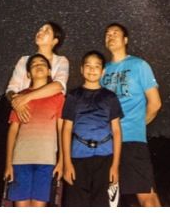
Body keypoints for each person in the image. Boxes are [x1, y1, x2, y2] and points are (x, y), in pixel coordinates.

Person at [101, 23, 162, 207]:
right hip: (105, 143)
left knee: (145, 195)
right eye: (107, 34)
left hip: (131, 141)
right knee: (109, 199)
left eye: (115, 33)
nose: (110, 36)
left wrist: (136, 125)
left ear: (125, 40)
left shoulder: (139, 65)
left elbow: (155, 103)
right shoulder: (101, 70)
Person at [61, 50, 123, 207]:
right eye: (88, 66)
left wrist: (115, 165)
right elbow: (66, 129)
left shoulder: (110, 97)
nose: (92, 69)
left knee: (101, 204)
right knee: (76, 204)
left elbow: (116, 130)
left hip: (105, 157)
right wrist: (67, 163)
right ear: (82, 69)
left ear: (103, 71)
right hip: (78, 158)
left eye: (97, 66)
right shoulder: (73, 96)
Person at [3, 54, 65, 206]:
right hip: (20, 160)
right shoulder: (20, 98)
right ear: (28, 74)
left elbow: (61, 130)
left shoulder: (58, 97)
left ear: (50, 71)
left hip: (46, 160)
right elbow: (13, 131)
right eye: (34, 63)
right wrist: (8, 163)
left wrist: (62, 160)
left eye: (42, 62)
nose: (38, 64)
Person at [6, 22, 69, 122]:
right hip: (24, 114)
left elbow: (59, 86)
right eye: (40, 29)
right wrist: (16, 102)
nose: (40, 32)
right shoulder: (24, 60)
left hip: (49, 116)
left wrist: (26, 98)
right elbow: (11, 89)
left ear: (54, 41)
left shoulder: (61, 61)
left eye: (46, 30)